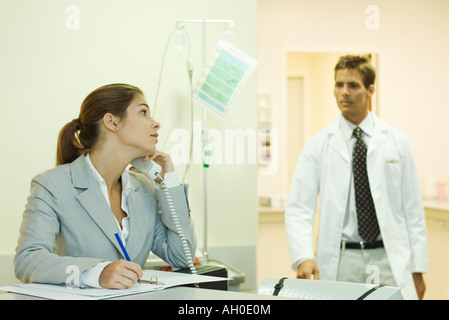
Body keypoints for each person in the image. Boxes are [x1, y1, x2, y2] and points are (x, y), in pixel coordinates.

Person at [14, 83, 197, 289]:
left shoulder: (144, 189)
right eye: (143, 112)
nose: (156, 124)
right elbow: (27, 260)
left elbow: (182, 257)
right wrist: (95, 273)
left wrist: (168, 184)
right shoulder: (51, 185)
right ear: (112, 122)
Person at [285, 55, 428, 299]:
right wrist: (304, 256)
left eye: (353, 85)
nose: (344, 93)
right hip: (342, 258)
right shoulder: (318, 145)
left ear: (370, 90)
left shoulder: (397, 142)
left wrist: (418, 267)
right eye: (339, 85)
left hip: (388, 256)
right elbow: (299, 207)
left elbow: (412, 210)